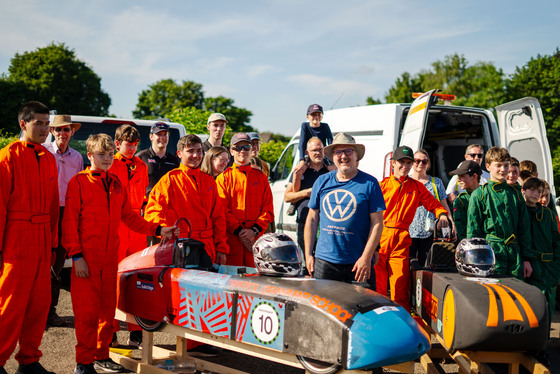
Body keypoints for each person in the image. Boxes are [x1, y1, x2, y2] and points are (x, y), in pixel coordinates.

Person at [63, 134, 177, 374]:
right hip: (87, 258)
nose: (105, 159)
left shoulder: (114, 183)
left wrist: (158, 229)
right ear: (90, 156)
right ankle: (83, 363)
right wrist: (76, 256)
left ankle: (101, 355)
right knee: (86, 314)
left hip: (110, 258)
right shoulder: (79, 182)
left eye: (107, 155)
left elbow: (130, 217)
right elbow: (69, 223)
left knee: (107, 312)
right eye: (101, 155)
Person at [0, 101, 59, 374]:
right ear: (23, 124)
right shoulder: (7, 157)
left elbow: (52, 205)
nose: (45, 129)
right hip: (16, 238)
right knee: (10, 304)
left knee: (39, 304)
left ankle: (29, 360)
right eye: (39, 123)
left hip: (42, 238)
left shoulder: (48, 159)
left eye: (47, 124)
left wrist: (53, 244)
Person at [304, 133, 384, 288]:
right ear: (333, 157)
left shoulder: (370, 183)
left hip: (358, 264)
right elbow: (312, 219)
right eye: (338, 152)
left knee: (362, 309)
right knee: (324, 310)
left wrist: (366, 258)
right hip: (325, 262)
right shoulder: (322, 181)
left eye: (348, 151)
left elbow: (377, 223)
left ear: (356, 156)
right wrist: (308, 255)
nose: (343, 156)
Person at [376, 146, 449, 311]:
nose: (405, 166)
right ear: (393, 163)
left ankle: (402, 323)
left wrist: (442, 214)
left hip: (401, 239)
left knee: (400, 285)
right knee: (378, 285)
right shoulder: (382, 185)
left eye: (409, 162)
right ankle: (378, 321)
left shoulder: (416, 187)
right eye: (402, 162)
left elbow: (434, 204)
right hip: (381, 237)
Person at [145, 135, 229, 266]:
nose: (196, 155)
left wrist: (221, 249)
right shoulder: (169, 180)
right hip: (181, 248)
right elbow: (152, 212)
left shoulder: (209, 181)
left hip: (208, 248)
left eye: (199, 151)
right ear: (179, 154)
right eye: (190, 151)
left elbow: (219, 218)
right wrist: (165, 231)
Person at [108, 125, 150, 347]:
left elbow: (143, 198)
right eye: (128, 143)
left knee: (137, 279)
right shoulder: (110, 163)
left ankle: (136, 331)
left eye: (135, 144)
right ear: (117, 144)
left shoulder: (141, 166)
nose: (132, 147)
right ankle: (111, 330)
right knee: (114, 278)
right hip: (116, 223)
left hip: (136, 225)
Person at [467, 146, 531, 280]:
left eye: (506, 165)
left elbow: (524, 228)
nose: (503, 169)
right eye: (499, 165)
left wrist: (526, 259)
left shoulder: (515, 194)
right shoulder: (479, 194)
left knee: (517, 295)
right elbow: (473, 231)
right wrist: (476, 259)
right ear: (488, 166)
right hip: (490, 254)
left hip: (515, 256)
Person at [43, 114, 83, 327]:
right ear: (52, 131)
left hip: (66, 212)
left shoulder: (77, 157)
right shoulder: (44, 152)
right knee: (40, 261)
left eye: (66, 130)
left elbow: (77, 189)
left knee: (57, 264)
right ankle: (33, 310)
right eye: (58, 130)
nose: (62, 134)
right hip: (44, 211)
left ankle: (50, 311)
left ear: (72, 132)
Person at [216, 133, 274, 267]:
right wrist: (240, 232)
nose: (242, 151)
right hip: (231, 243)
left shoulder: (261, 178)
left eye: (246, 147)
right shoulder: (223, 178)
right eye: (238, 148)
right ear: (231, 151)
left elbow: (268, 210)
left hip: (255, 243)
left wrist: (253, 231)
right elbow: (222, 211)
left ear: (251, 149)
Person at [521, 177, 560, 329]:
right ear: (523, 191)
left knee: (548, 307)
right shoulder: (520, 212)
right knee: (531, 306)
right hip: (530, 266)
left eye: (540, 192)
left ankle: (544, 343)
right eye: (533, 190)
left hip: (548, 267)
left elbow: (557, 243)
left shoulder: (549, 215)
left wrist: (556, 268)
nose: (537, 195)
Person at [284, 137, 330, 259]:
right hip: (304, 222)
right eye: (314, 150)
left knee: (323, 261)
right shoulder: (300, 171)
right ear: (307, 152)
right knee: (305, 262)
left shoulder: (330, 170)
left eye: (320, 149)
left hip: (326, 224)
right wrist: (306, 193)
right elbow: (287, 197)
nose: (318, 153)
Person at [408, 149, 454, 266]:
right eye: (417, 161)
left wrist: (451, 223)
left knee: (427, 266)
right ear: (412, 162)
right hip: (408, 231)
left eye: (424, 161)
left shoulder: (436, 182)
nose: (420, 164)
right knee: (407, 266)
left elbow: (443, 206)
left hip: (429, 231)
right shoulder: (406, 181)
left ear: (428, 164)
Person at [136, 122, 180, 197]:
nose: (162, 138)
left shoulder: (174, 160)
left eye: (165, 135)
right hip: (147, 205)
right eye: (159, 134)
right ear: (151, 137)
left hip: (168, 205)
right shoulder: (141, 157)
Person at [450, 161, 482, 242]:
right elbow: (462, 231)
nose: (458, 180)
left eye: (462, 176)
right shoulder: (461, 200)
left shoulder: (487, 195)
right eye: (458, 177)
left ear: (474, 177)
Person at [297, 104, 333, 169]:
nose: (316, 117)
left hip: (322, 154)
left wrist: (332, 160)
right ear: (308, 117)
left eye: (319, 115)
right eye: (313, 115)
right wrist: (302, 160)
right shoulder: (305, 126)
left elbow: (331, 142)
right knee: (299, 170)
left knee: (332, 169)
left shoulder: (325, 126)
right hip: (309, 155)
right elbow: (302, 143)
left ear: (322, 116)